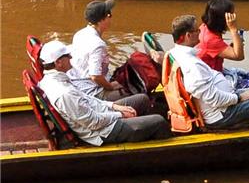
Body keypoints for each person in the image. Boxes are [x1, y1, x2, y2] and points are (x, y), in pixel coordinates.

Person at [169, 15, 249, 130]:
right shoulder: (192, 65)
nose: (200, 32)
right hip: (221, 114)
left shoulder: (176, 53)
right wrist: (238, 98)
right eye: (197, 30)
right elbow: (214, 99)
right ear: (188, 36)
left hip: (221, 104)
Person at [36, 40, 167, 146]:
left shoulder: (53, 80)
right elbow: (93, 122)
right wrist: (120, 115)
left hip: (97, 114)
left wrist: (114, 107)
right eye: (67, 56)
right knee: (158, 122)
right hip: (101, 131)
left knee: (142, 99)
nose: (71, 57)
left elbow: (87, 98)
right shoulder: (64, 92)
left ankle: (143, 132)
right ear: (58, 63)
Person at [198, 0, 249, 92]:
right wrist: (233, 29)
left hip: (215, 71)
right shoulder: (210, 39)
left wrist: (234, 45)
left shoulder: (205, 27)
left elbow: (218, 51)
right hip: (213, 81)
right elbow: (239, 56)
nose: (234, 17)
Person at [68, 0, 123, 101]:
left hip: (78, 83)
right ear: (101, 20)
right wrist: (111, 87)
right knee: (138, 94)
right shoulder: (98, 44)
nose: (110, 18)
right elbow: (95, 76)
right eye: (109, 15)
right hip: (92, 92)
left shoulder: (80, 33)